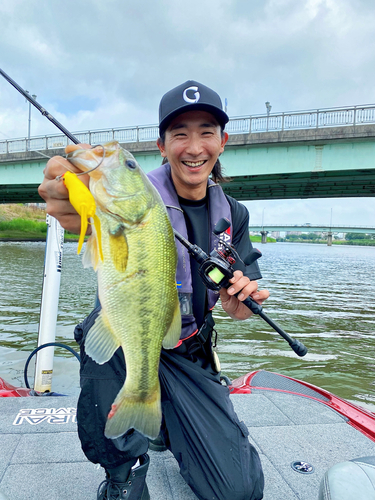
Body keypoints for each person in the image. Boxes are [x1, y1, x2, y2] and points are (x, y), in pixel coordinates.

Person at [38, 80, 269, 500]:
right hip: (127, 341)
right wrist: (68, 194)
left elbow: (241, 302)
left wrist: (241, 305)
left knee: (240, 491)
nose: (194, 146)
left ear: (223, 141)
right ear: (161, 146)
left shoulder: (233, 213)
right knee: (98, 341)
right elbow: (75, 210)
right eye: (180, 133)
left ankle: (164, 420)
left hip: (187, 347)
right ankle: (123, 471)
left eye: (206, 132)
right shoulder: (126, 200)